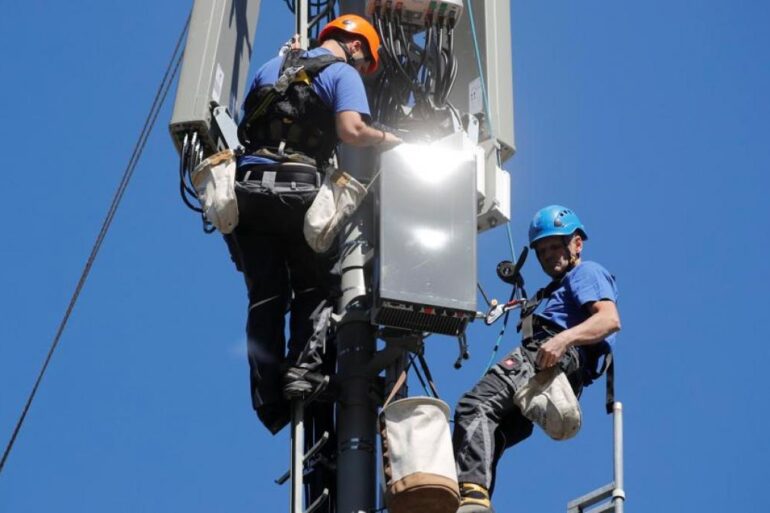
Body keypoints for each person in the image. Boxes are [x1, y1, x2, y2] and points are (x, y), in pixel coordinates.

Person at [229, 13, 402, 435]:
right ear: (356, 46)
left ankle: (269, 399)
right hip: (297, 187)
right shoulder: (342, 72)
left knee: (266, 299)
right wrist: (392, 140)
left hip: (248, 189)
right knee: (318, 286)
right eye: (365, 66)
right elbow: (351, 129)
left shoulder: (273, 66)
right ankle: (303, 373)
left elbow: (244, 124)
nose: (362, 72)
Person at [452, 205, 622, 513]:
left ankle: (472, 498)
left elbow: (609, 320)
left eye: (556, 246)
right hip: (552, 368)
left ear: (577, 244)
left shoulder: (586, 272)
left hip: (548, 357)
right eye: (542, 251)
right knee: (495, 431)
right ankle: (472, 502)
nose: (549, 255)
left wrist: (562, 340)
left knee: (475, 405)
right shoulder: (552, 290)